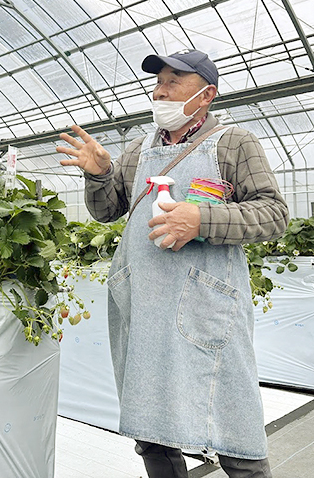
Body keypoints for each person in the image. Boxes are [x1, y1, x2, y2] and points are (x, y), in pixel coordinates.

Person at [56, 49, 289, 478]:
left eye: (172, 82)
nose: (159, 90)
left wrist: (202, 218)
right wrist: (99, 175)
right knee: (151, 429)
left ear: (206, 95)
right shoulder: (139, 148)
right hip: (146, 306)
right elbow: (108, 211)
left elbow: (274, 214)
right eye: (158, 82)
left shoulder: (234, 142)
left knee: (231, 423)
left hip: (206, 307)